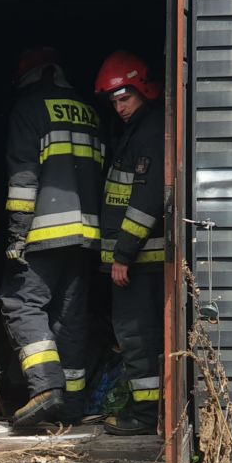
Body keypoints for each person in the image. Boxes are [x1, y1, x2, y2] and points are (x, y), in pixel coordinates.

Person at [0, 46, 104, 429]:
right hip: (86, 235)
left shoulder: (30, 107)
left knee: (21, 303)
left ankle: (45, 389)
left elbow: (23, 179)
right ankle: (72, 406)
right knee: (68, 318)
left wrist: (16, 234)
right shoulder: (89, 111)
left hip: (43, 232)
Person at [96, 50, 166, 436]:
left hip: (139, 263)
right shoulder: (135, 131)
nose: (120, 108)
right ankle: (147, 412)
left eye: (126, 98)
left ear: (143, 90)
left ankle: (144, 417)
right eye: (114, 102)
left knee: (138, 338)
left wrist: (123, 255)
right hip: (136, 261)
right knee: (137, 337)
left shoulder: (149, 131)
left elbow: (145, 201)